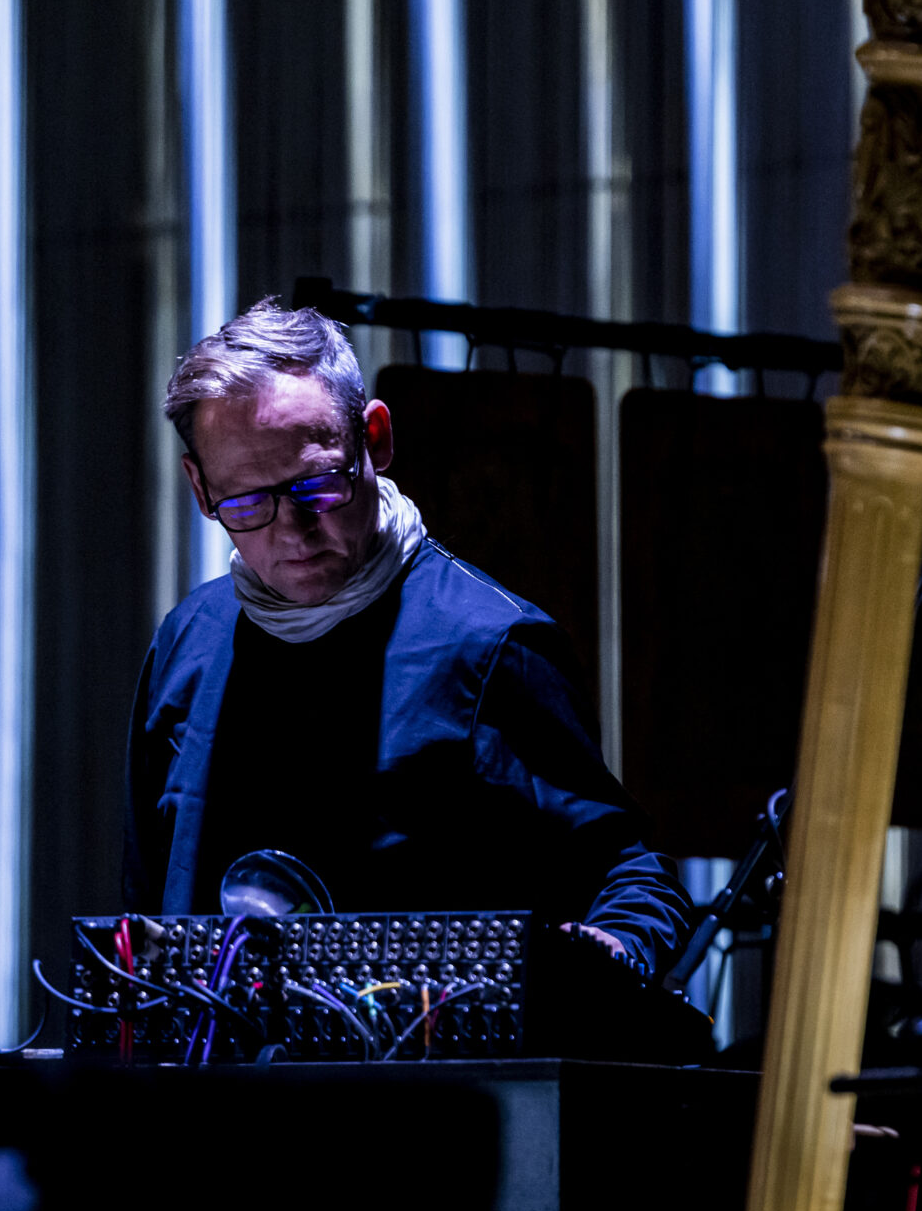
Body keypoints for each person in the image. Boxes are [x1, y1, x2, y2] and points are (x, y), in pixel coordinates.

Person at [123, 299, 692, 979]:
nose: (292, 531)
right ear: (200, 488)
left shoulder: (489, 645)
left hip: (423, 1085)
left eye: (317, 486)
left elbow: (627, 879)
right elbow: (141, 914)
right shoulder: (188, 643)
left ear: (376, 438)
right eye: (247, 502)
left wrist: (610, 953)